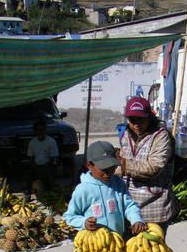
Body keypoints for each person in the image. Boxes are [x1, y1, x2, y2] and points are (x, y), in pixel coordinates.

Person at [118, 97, 177, 235]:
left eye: (141, 119)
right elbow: (121, 158)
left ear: (150, 117)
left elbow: (154, 167)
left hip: (154, 208)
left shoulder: (161, 136)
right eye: (132, 120)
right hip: (130, 207)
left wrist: (123, 165)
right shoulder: (126, 134)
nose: (136, 124)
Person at [63, 141, 145, 237]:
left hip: (118, 239)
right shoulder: (83, 190)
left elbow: (129, 205)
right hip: (95, 243)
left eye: (112, 168)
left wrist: (136, 219)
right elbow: (70, 216)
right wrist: (84, 223)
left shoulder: (118, 183)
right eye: (104, 169)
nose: (108, 173)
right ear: (89, 165)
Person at [26, 120, 59, 197]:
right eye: (39, 130)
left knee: (47, 173)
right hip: (36, 166)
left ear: (45, 130)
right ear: (35, 131)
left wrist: (44, 166)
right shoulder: (32, 142)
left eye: (43, 129)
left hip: (49, 165)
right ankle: (28, 194)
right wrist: (34, 166)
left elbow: (54, 157)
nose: (41, 131)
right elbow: (30, 157)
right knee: (27, 174)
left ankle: (50, 192)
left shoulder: (51, 141)